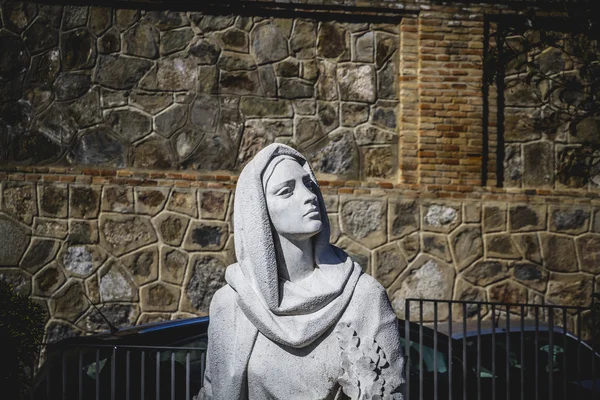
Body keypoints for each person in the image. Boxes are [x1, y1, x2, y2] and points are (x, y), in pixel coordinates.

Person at [199, 143, 404, 399]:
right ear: (258, 211)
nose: (308, 196)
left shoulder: (364, 297)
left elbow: (387, 392)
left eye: (308, 184)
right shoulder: (230, 304)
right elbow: (211, 392)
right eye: (286, 191)